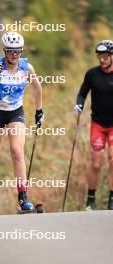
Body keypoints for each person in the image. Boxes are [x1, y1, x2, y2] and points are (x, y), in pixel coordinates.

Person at [0, 32, 44, 212]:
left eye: (17, 51)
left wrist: (39, 111)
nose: (14, 55)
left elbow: (37, 89)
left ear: (21, 51)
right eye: (10, 51)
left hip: (15, 113)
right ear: (5, 51)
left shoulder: (26, 67)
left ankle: (23, 197)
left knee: (17, 152)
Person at [74, 40, 113, 211]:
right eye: (100, 56)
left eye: (105, 56)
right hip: (97, 123)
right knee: (96, 163)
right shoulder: (92, 74)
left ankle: (112, 199)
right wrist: (79, 104)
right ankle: (90, 199)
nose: (102, 60)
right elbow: (82, 93)